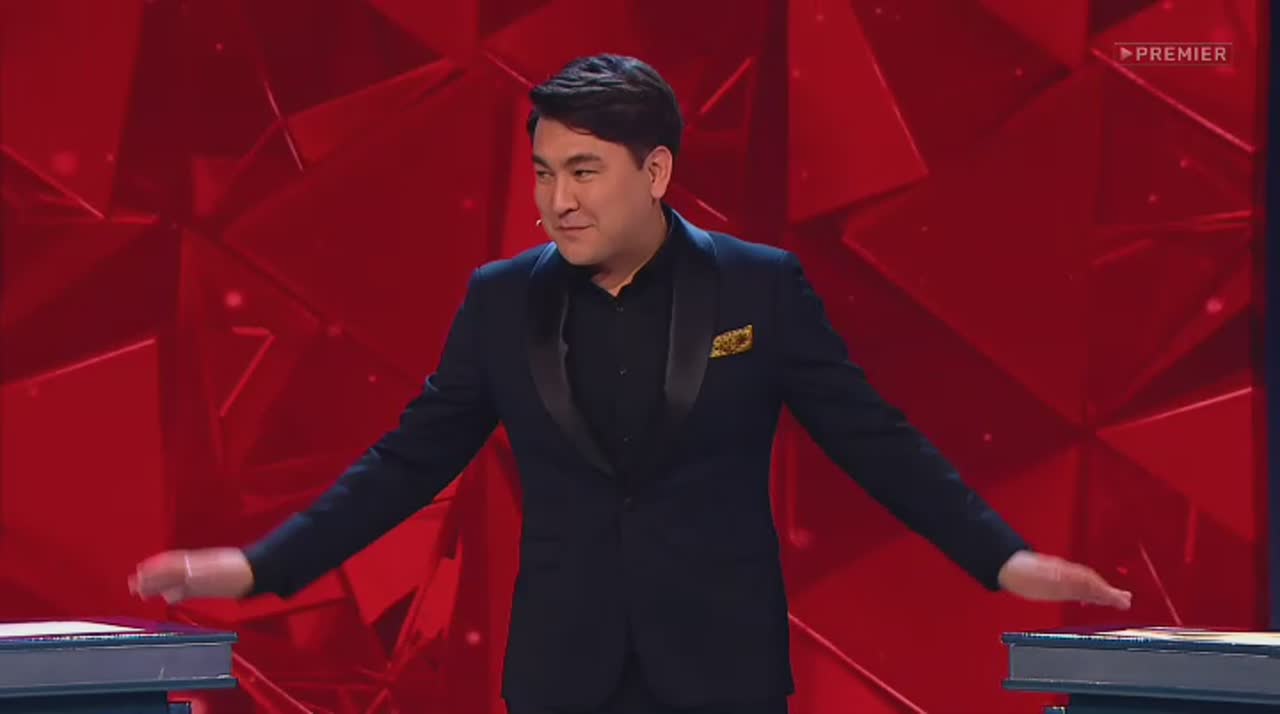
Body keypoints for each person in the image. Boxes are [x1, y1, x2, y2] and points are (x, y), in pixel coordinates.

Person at [131, 53, 1131, 714]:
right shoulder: (499, 302)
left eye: (583, 170)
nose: (555, 201)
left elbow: (873, 439)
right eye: (541, 172)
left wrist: (1002, 559)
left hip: (720, 671)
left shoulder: (760, 288)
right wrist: (259, 568)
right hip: (562, 671)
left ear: (654, 173)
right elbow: (407, 463)